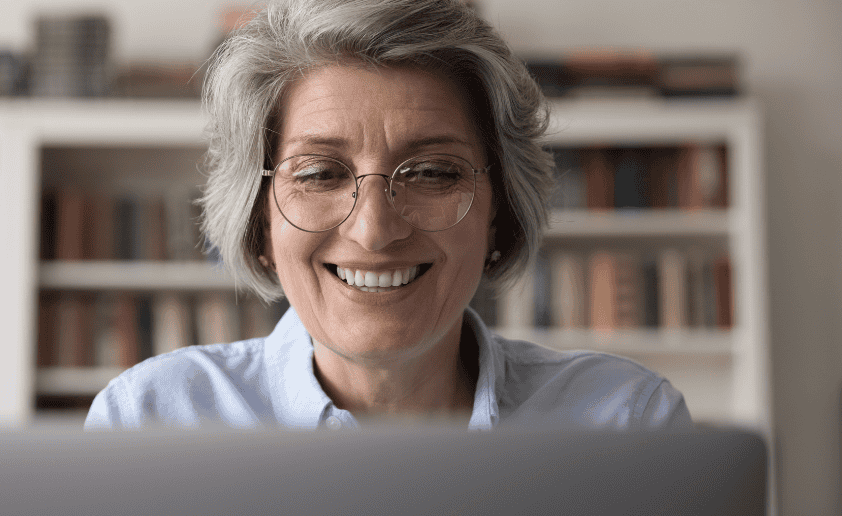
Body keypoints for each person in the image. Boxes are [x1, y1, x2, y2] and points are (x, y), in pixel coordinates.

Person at [85, 0, 691, 431]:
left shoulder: (625, 423)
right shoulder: (151, 420)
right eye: (319, 173)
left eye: (431, 173)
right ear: (258, 222)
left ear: (499, 216)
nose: (374, 229)